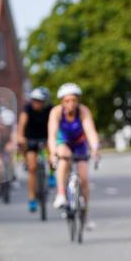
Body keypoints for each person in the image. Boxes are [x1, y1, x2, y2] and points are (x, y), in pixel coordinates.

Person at [47, 83, 101, 226]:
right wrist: (52, 153)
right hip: (62, 142)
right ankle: (61, 194)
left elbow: (90, 131)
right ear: (62, 102)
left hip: (79, 144)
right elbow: (52, 135)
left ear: (78, 101)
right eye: (67, 100)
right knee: (64, 157)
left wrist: (95, 148)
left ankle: (85, 212)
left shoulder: (83, 111)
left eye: (74, 100)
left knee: (84, 178)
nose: (71, 103)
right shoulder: (56, 112)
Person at [16, 87, 52, 212]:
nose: (36, 103)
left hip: (46, 137)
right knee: (32, 168)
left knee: (52, 153)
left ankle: (52, 174)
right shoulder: (27, 109)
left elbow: (55, 123)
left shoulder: (49, 109)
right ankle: (32, 198)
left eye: (40, 101)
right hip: (31, 138)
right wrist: (20, 136)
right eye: (34, 100)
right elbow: (21, 124)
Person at [0, 107, 16, 197]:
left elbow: (13, 136)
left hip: (7, 142)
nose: (6, 126)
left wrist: (13, 145)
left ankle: (12, 175)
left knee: (11, 158)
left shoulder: (12, 125)